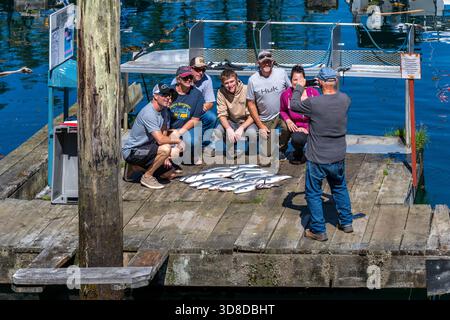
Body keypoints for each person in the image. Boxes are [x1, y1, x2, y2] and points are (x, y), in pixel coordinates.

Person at [290, 67, 353, 242]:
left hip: (317, 157)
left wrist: (299, 87)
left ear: (321, 83)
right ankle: (346, 222)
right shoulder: (345, 100)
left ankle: (318, 229)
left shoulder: (314, 103)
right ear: (336, 81)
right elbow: (335, 97)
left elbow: (293, 105)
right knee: (339, 187)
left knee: (313, 192)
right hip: (338, 155)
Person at [122, 83, 183, 189]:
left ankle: (135, 168)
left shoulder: (163, 110)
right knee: (165, 148)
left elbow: (163, 132)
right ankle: (147, 176)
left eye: (169, 95)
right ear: (155, 96)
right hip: (133, 151)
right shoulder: (149, 113)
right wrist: (177, 142)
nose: (168, 98)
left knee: (171, 174)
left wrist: (166, 157)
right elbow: (160, 140)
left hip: (148, 149)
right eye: (164, 95)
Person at [246, 50, 291, 161]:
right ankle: (271, 143)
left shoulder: (281, 72)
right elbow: (250, 103)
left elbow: (290, 91)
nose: (266, 64)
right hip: (265, 117)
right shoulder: (252, 80)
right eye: (263, 62)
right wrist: (260, 125)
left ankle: (281, 148)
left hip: (282, 113)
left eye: (268, 62)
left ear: (272, 62)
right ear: (259, 63)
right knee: (266, 153)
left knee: (287, 127)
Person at [204, 69, 257, 158]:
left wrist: (241, 128)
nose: (230, 85)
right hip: (231, 122)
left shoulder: (246, 89)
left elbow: (252, 115)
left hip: (246, 122)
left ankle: (244, 148)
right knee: (218, 130)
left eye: (232, 81)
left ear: (236, 80)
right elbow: (221, 114)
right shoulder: (221, 92)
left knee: (252, 132)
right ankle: (214, 147)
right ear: (223, 84)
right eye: (226, 83)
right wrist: (228, 129)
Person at [171, 56, 217, 147]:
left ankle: (204, 143)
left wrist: (198, 109)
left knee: (212, 117)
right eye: (197, 69)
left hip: (198, 108)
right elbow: (173, 102)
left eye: (203, 70)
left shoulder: (207, 79)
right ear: (190, 68)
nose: (201, 73)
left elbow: (210, 102)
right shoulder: (177, 81)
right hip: (182, 108)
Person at [279, 65, 320, 165]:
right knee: (297, 139)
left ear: (305, 80)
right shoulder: (285, 94)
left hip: (311, 127)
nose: (297, 83)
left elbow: (319, 115)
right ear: (290, 80)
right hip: (296, 129)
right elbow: (282, 110)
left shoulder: (313, 93)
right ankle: (298, 151)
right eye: (294, 80)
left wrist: (308, 128)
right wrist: (288, 120)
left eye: (300, 79)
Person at [168, 66, 205, 165]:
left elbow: (195, 119)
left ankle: (191, 152)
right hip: (169, 127)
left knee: (192, 141)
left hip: (186, 128)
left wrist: (179, 133)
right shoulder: (169, 92)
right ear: (178, 79)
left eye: (190, 77)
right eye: (185, 78)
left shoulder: (197, 94)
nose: (189, 79)